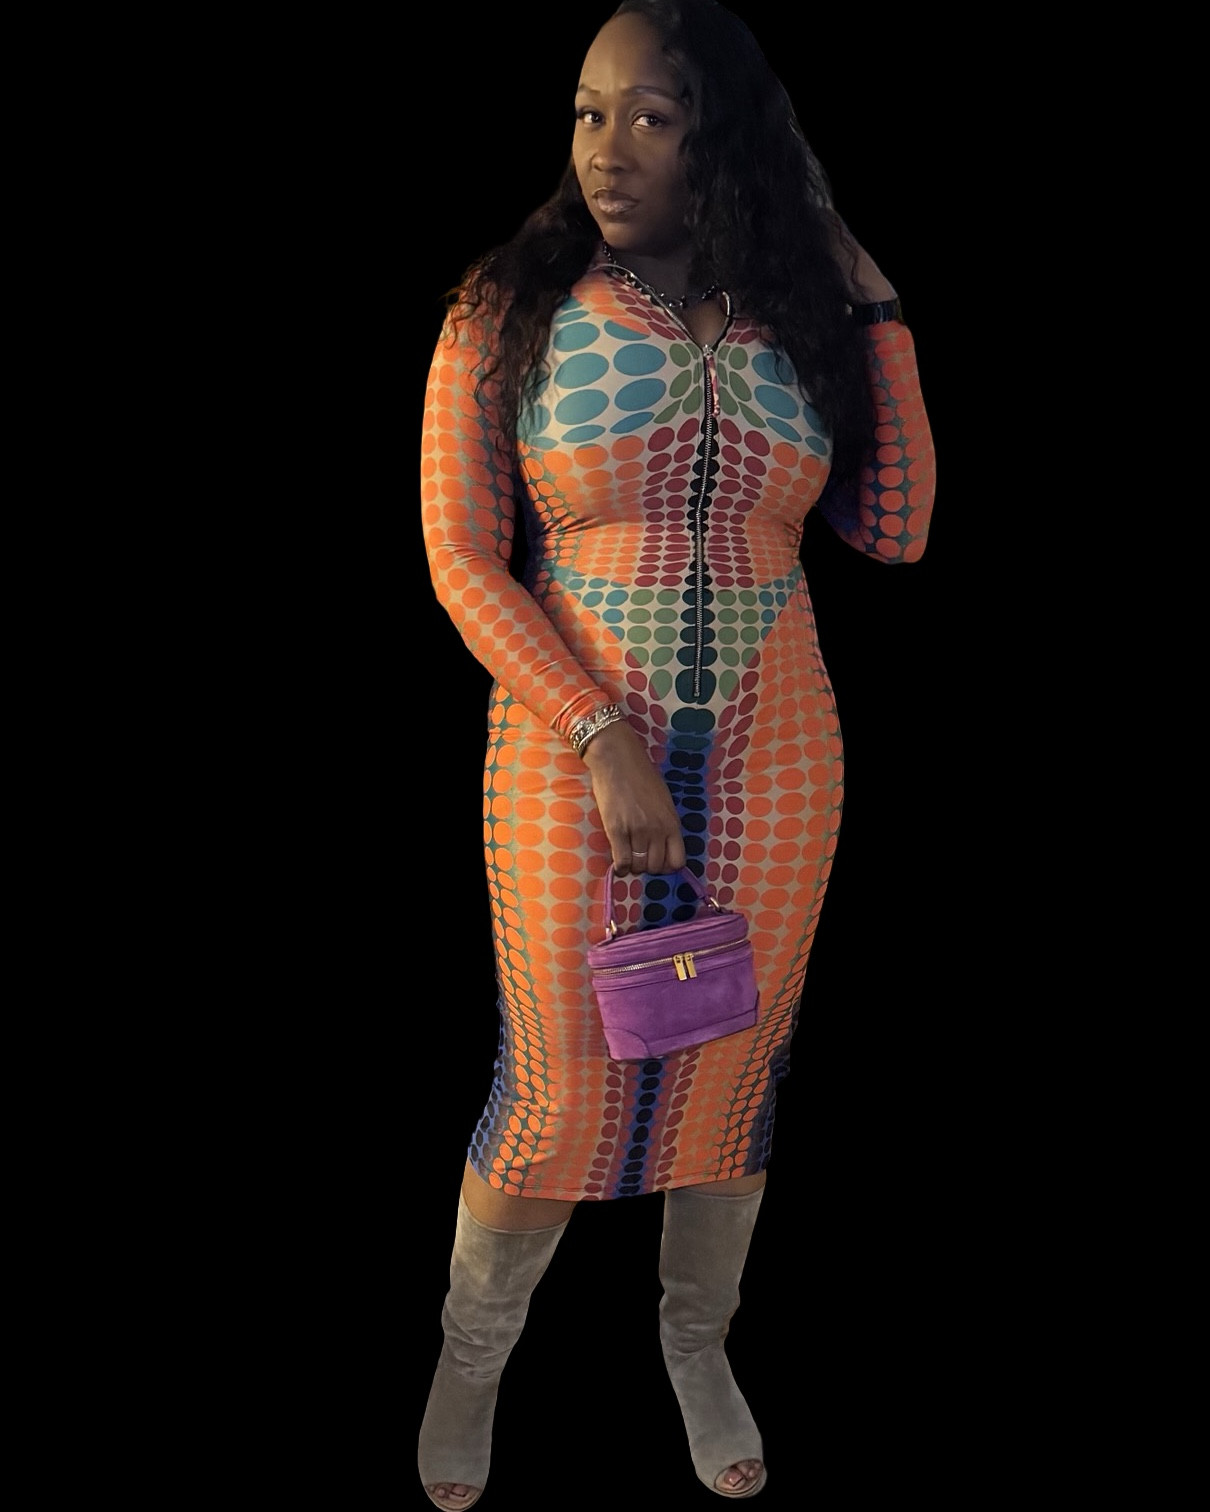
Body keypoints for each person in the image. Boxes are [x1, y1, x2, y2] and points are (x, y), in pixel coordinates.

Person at [417, 0, 935, 1502]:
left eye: (649, 116)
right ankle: (471, 1356)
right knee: (559, 1089)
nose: (606, 149)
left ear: (729, 136)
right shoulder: (507, 305)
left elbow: (897, 530)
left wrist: (872, 302)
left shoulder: (795, 317)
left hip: (785, 754)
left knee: (732, 1067)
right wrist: (598, 735)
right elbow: (461, 559)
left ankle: (696, 1343)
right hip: (564, 749)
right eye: (588, 113)